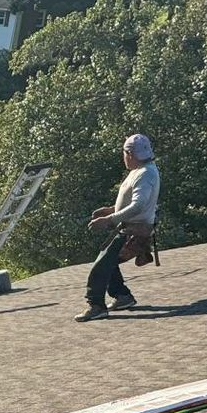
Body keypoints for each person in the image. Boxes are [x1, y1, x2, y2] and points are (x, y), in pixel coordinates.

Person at [78, 133, 161, 321]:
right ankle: (122, 296)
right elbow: (134, 202)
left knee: (100, 267)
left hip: (133, 230)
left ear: (130, 154)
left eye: (124, 153)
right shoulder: (141, 170)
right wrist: (110, 210)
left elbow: (139, 205)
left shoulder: (145, 174)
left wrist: (109, 219)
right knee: (109, 262)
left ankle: (96, 305)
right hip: (130, 227)